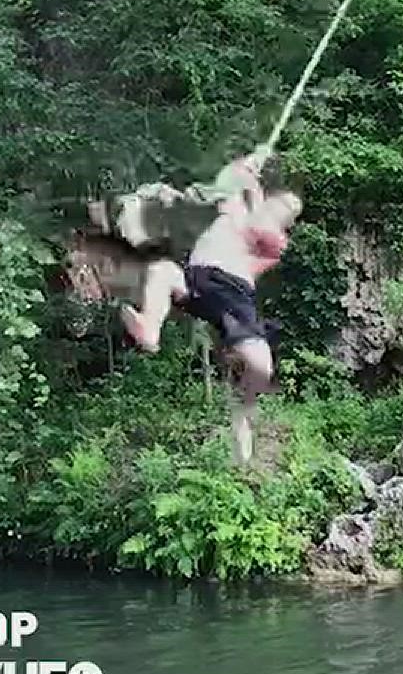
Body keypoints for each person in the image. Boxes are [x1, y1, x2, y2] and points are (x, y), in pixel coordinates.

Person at [118, 153, 302, 465]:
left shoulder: (274, 240)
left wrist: (253, 189)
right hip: (198, 279)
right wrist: (244, 166)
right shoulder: (235, 209)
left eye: (286, 210)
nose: (279, 208)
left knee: (261, 367)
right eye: (280, 202)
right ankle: (150, 330)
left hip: (233, 294)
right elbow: (223, 183)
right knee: (160, 271)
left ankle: (243, 411)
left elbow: (258, 229)